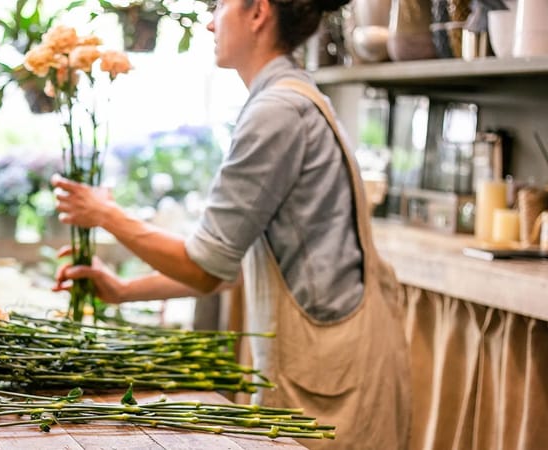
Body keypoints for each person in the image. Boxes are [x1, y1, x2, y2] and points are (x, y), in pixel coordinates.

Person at [52, 0, 411, 448]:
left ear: (258, 12)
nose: (208, 21)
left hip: (332, 376)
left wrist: (104, 213)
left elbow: (206, 266)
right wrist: (125, 291)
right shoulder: (291, 96)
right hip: (341, 361)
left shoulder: (277, 111)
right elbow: (233, 265)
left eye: (219, 5)